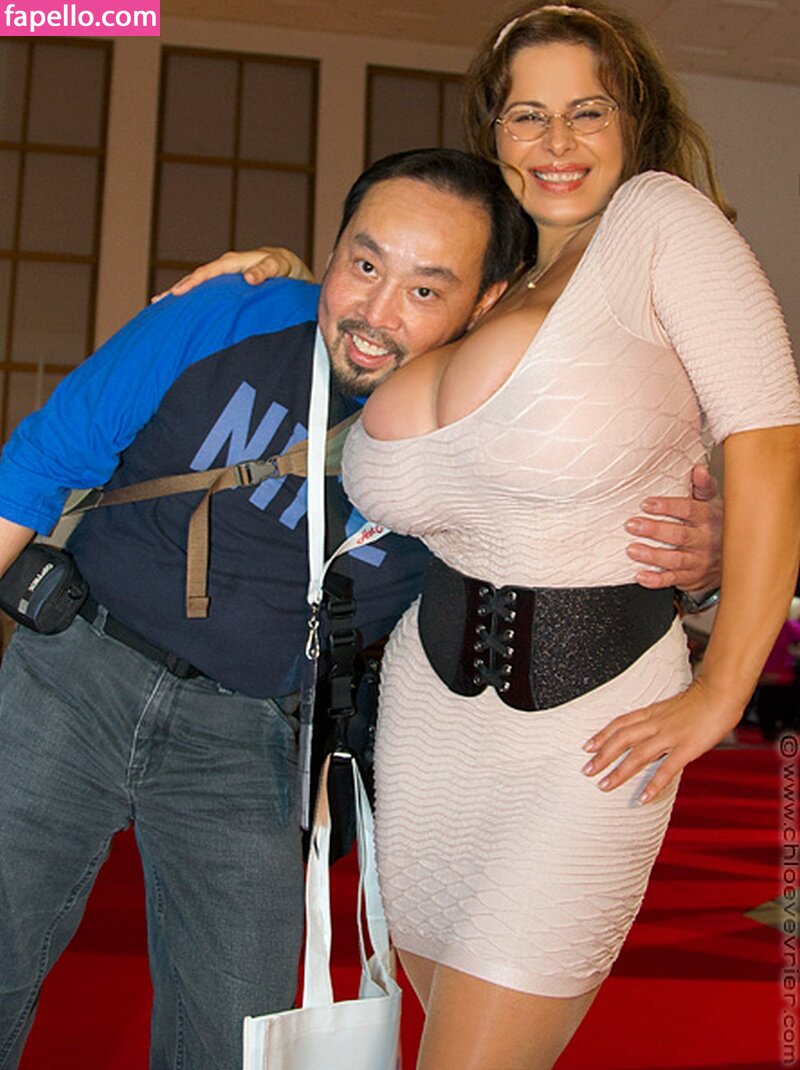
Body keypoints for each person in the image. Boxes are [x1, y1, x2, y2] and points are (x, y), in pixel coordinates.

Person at [0, 148, 719, 1069]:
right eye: (364, 264)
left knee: (233, 1039)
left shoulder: (492, 439)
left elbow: (583, 565)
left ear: (488, 302)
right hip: (74, 679)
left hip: (253, 744)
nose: (375, 314)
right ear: (331, 247)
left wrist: (707, 562)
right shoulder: (227, 315)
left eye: (425, 290)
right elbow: (37, 465)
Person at [337, 4, 799, 1068]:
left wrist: (723, 689)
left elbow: (771, 448)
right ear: (491, 130)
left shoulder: (659, 222)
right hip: (426, 721)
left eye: (585, 111)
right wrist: (265, 273)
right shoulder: (494, 274)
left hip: (591, 725)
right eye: (526, 115)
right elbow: (360, 334)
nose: (555, 142)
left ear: (634, 118)